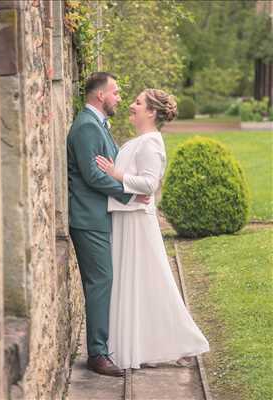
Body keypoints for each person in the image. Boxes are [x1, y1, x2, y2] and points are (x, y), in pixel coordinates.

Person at [96, 89, 210, 369]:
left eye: (137, 103)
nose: (132, 106)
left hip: (137, 221)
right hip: (127, 216)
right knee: (138, 282)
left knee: (150, 278)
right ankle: (147, 341)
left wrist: (116, 175)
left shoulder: (151, 143)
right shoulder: (140, 141)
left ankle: (182, 339)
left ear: (151, 112)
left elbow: (150, 184)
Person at [67, 72, 149, 377]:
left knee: (105, 281)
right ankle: (98, 354)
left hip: (99, 215)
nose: (119, 98)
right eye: (115, 92)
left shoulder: (97, 124)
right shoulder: (87, 127)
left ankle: (105, 344)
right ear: (99, 95)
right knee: (100, 282)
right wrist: (129, 193)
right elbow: (92, 175)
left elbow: (110, 168)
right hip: (89, 218)